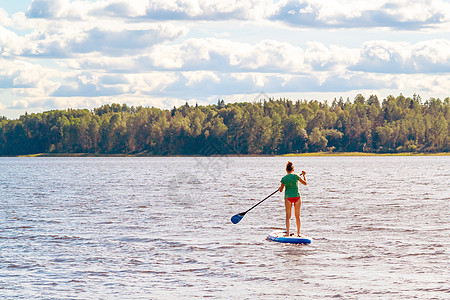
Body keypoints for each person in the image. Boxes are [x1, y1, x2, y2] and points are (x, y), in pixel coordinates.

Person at [278, 161, 307, 237]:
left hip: (288, 198)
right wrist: (304, 175)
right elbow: (305, 183)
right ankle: (298, 233)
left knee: (288, 216)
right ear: (293, 170)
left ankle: (287, 233)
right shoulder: (296, 176)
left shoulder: (284, 178)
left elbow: (281, 190)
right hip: (297, 197)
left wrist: (279, 188)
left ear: (286, 170)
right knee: (298, 216)